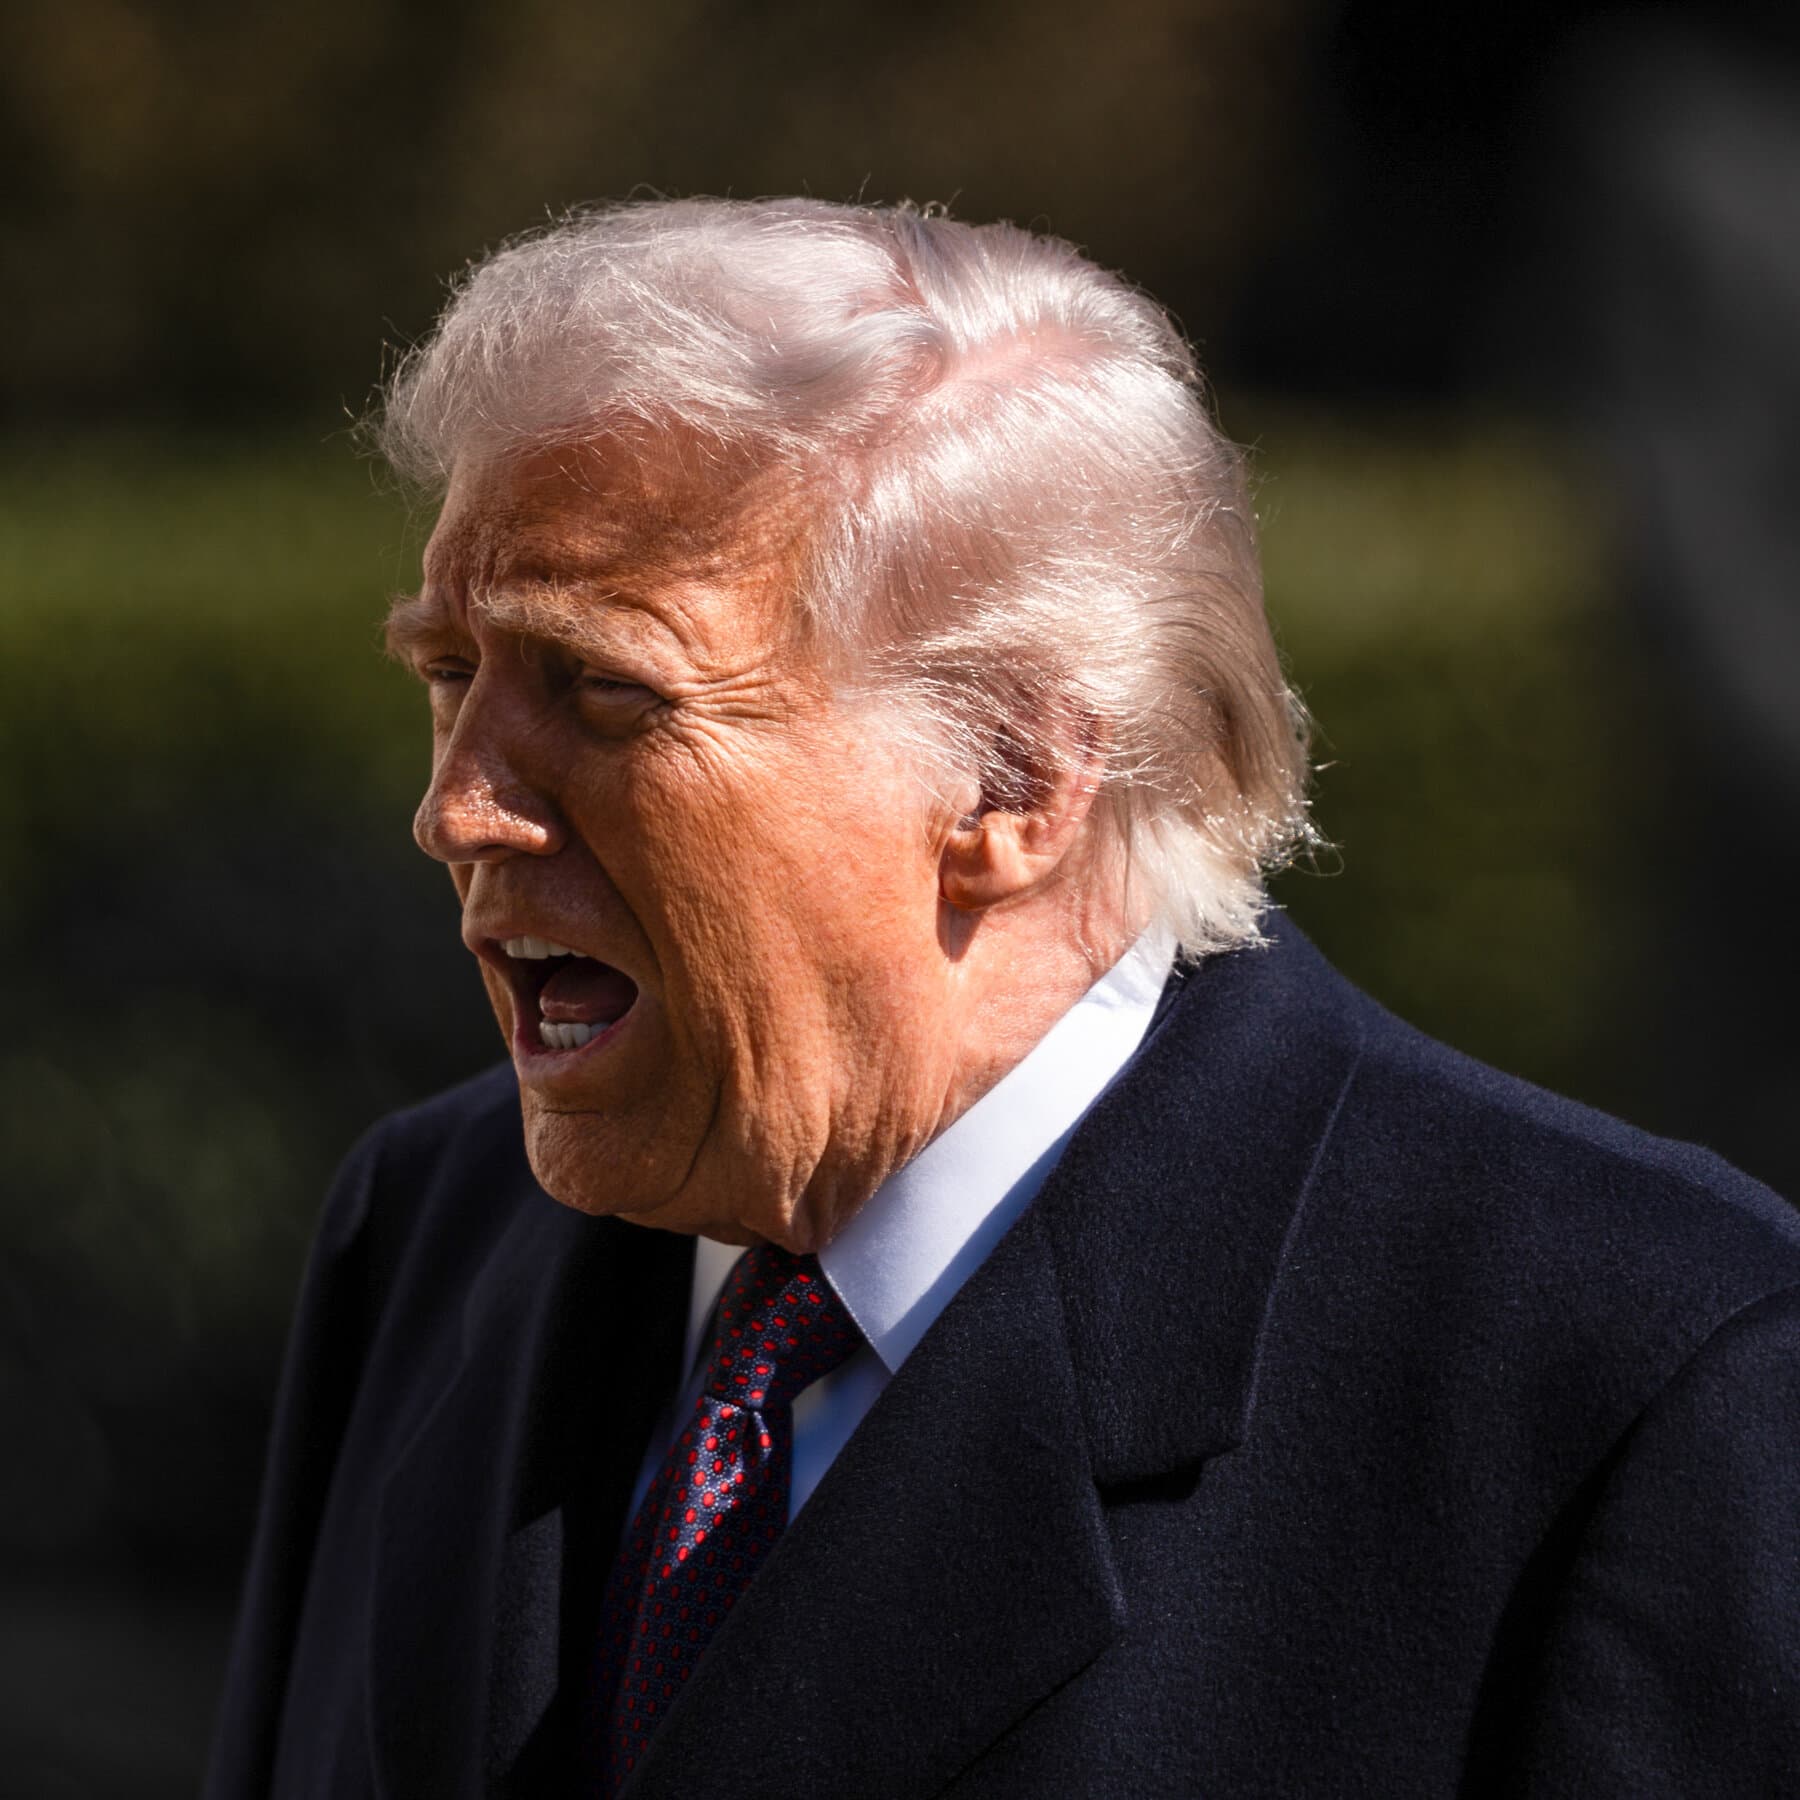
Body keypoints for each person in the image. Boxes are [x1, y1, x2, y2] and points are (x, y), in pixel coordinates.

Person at [204, 198, 1800, 1800]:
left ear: (1017, 777)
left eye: (606, 691)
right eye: (447, 677)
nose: (460, 809)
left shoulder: (1638, 1380)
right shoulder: (426, 1231)